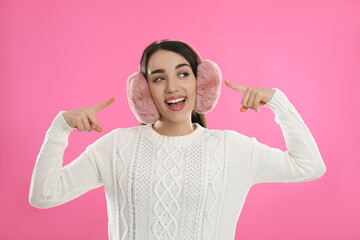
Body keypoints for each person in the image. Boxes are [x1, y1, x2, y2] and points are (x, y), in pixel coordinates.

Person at [29, 39, 327, 240]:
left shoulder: (234, 149)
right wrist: (60, 130)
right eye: (158, 78)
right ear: (143, 91)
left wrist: (279, 103)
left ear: (202, 82)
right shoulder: (116, 147)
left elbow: (309, 166)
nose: (172, 86)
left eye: (183, 74)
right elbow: (44, 196)